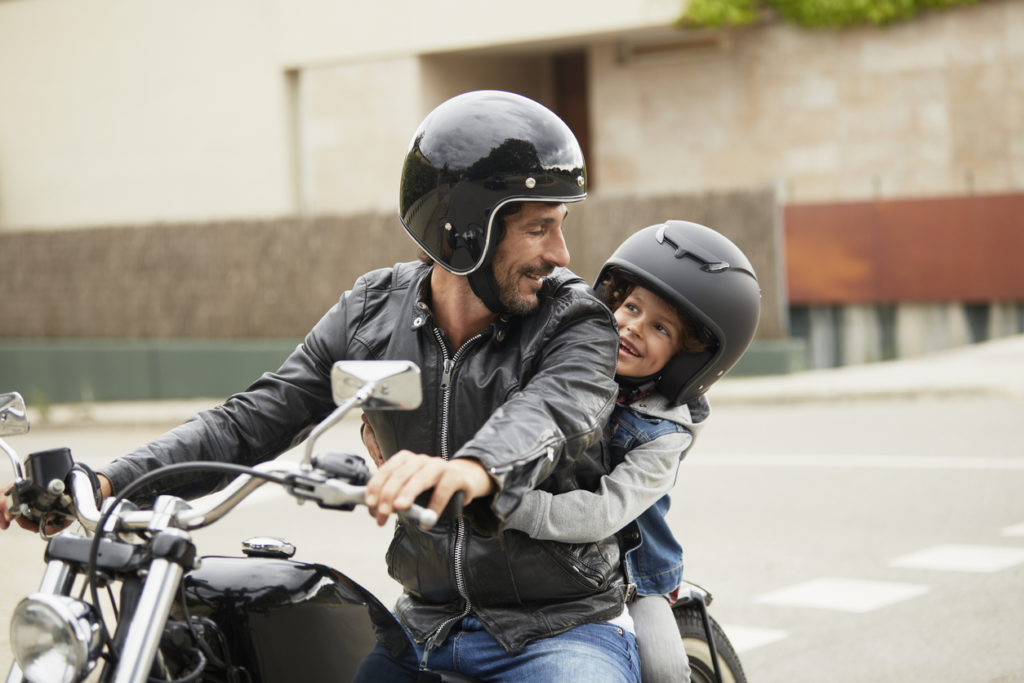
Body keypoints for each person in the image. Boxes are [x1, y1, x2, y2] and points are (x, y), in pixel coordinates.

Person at [1, 90, 639, 682]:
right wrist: (107, 481)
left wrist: (472, 469)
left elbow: (550, 413)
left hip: (560, 627)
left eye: (558, 226)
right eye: (538, 228)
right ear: (465, 229)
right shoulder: (370, 314)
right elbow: (253, 418)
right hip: (427, 621)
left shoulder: (575, 321)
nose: (560, 252)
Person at [503, 220, 761, 683]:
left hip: (632, 574)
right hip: (558, 562)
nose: (633, 325)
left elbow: (603, 512)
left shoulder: (664, 434)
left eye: (660, 327)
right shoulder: (570, 367)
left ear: (687, 360)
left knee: (663, 669)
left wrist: (511, 507)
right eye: (631, 306)